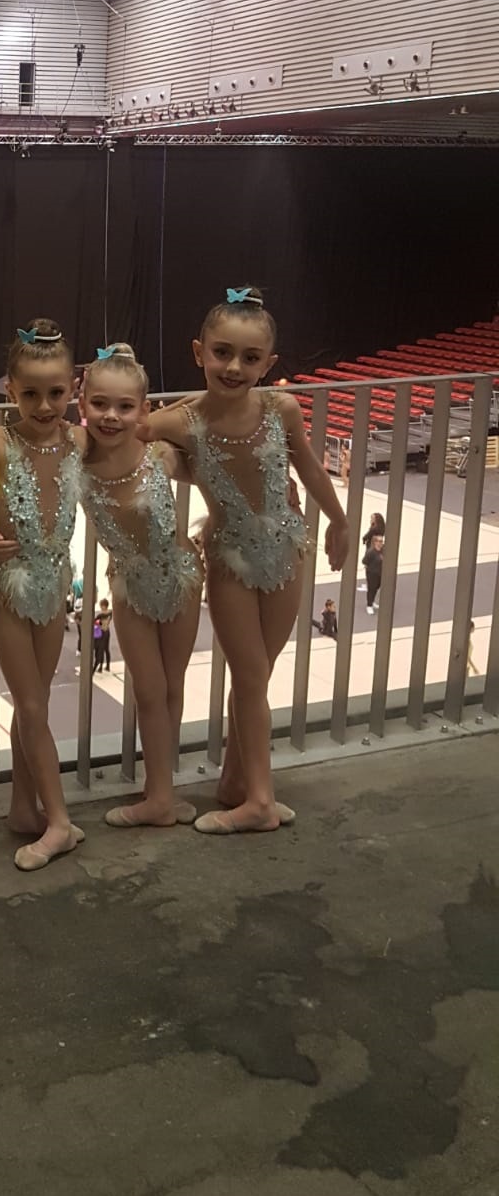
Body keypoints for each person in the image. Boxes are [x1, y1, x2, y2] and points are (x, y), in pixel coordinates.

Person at [144, 287, 348, 833]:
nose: (234, 367)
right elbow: (123, 433)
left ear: (268, 363)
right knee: (252, 674)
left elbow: (309, 467)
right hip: (230, 560)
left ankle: (237, 782)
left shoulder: (281, 409)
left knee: (258, 675)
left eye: (250, 357)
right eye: (222, 353)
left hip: (287, 551)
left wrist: (340, 520)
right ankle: (261, 801)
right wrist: (166, 458)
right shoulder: (180, 421)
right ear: (199, 352)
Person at [0, 319, 86, 871]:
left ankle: (24, 807)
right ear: (10, 389)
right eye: (31, 394)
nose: (45, 406)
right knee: (34, 705)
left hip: (54, 581)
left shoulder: (79, 441)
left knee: (34, 701)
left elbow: (139, 443)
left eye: (56, 393)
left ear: (74, 389)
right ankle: (59, 819)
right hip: (7, 585)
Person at [78, 344, 203, 827]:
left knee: (172, 686)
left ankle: (161, 791)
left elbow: (218, 460)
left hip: (182, 576)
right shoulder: (76, 461)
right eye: (100, 404)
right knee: (149, 690)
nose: (111, 416)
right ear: (82, 403)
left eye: (124, 406)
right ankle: (160, 796)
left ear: (143, 410)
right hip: (129, 584)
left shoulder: (160, 453)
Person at [363, 533, 384, 615]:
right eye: (379, 541)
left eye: (381, 541)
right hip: (372, 574)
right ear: (375, 542)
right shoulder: (371, 552)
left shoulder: (383, 550)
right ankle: (369, 605)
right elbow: (364, 561)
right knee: (371, 589)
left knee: (376, 588)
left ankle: (372, 601)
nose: (380, 543)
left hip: (380, 573)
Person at [92, 599, 113, 673]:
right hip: (107, 631)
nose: (101, 607)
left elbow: (97, 623)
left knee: (100, 649)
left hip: (102, 632)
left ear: (104, 606)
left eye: (101, 605)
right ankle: (108, 666)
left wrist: (98, 622)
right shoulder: (110, 613)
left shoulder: (100, 615)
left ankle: (100, 667)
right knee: (106, 649)